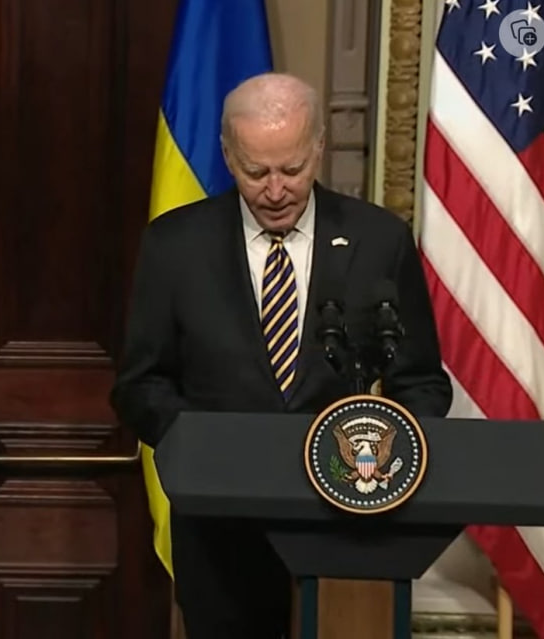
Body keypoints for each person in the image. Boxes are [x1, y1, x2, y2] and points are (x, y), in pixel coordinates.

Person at [110, 72, 453, 638]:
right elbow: (140, 385)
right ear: (227, 156)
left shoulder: (379, 240)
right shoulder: (175, 246)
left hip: (349, 531)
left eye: (292, 169)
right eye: (256, 171)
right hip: (220, 534)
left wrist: (379, 460)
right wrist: (204, 445)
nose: (275, 190)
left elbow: (421, 384)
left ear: (320, 148)